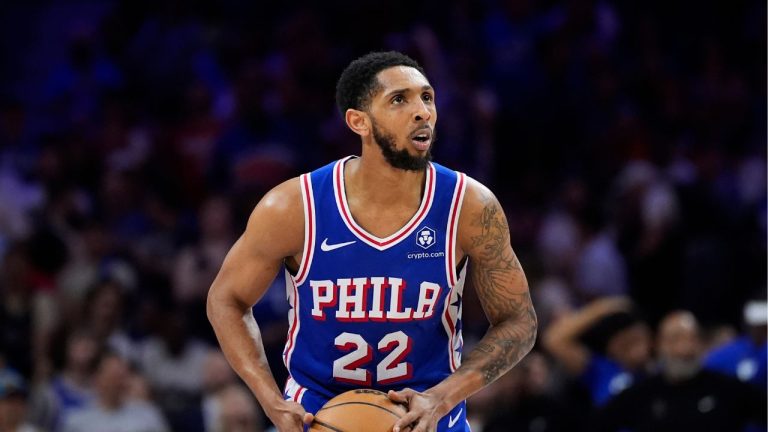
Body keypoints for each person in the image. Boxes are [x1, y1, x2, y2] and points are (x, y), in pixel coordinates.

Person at [207, 51, 537, 432]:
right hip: (318, 418)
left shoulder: (469, 206)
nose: (422, 112)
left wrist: (443, 396)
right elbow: (226, 299)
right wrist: (269, 399)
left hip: (429, 419)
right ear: (358, 121)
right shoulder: (294, 207)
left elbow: (519, 321)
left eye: (427, 97)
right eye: (399, 99)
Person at [595, 310, 766, 432]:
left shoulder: (729, 389)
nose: (684, 349)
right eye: (675, 339)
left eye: (691, 338)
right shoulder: (640, 394)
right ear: (658, 345)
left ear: (701, 345)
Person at [542, 297, 651, 406]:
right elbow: (553, 340)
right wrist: (604, 307)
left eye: (635, 339)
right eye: (624, 343)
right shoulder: (600, 369)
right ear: (610, 346)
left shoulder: (660, 365)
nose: (631, 346)